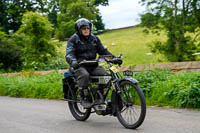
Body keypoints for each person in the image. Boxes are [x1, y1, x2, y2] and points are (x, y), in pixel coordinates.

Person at [65, 18, 122, 108]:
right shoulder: (73, 39)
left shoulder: (94, 39)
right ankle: (84, 97)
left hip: (93, 65)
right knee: (84, 75)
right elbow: (69, 54)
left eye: (88, 28)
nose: (86, 30)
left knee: (106, 76)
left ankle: (99, 97)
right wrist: (73, 61)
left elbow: (103, 51)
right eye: (84, 28)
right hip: (79, 66)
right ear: (79, 30)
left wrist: (114, 58)